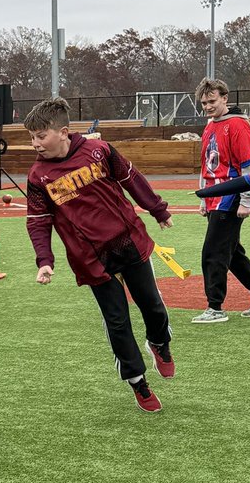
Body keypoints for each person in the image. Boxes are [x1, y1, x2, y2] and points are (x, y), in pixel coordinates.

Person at [24, 97, 174, 414]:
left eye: (41, 136)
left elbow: (131, 178)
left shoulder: (99, 150)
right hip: (91, 258)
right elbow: (38, 221)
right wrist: (45, 260)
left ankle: (159, 342)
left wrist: (157, 209)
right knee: (117, 321)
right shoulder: (38, 176)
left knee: (152, 305)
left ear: (63, 132)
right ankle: (138, 382)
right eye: (32, 137)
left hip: (129, 241)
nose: (35, 143)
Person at [192, 78, 250, 323]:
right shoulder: (210, 125)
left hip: (230, 197)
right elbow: (206, 164)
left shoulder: (238, 124)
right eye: (204, 103)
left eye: (212, 101)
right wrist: (203, 197)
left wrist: (246, 200)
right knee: (231, 251)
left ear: (225, 98)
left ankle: (215, 308)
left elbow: (249, 164)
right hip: (213, 197)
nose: (208, 106)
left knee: (213, 252)